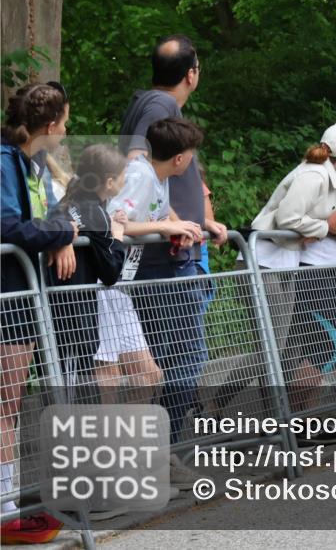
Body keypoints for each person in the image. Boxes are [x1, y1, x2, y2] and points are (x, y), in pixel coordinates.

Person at [117, 35, 226, 442]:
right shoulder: (160, 107)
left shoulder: (150, 102)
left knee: (170, 358)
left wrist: (204, 219)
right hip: (167, 260)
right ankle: (167, 450)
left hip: (172, 252)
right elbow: (141, 168)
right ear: (191, 73)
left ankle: (163, 449)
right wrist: (174, 223)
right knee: (180, 356)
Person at [248, 121, 336, 444]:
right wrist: (324, 229)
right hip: (267, 264)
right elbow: (288, 218)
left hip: (282, 264)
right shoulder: (313, 175)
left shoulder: (325, 174)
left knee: (280, 349)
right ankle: (273, 424)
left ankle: (284, 423)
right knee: (271, 350)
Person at [108, 118, 206, 488]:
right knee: (139, 374)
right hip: (116, 285)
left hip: (131, 282)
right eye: (191, 156)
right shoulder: (140, 174)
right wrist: (164, 229)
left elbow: (159, 212)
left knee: (152, 373)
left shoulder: (157, 176)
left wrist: (185, 228)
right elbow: (112, 223)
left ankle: (154, 458)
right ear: (179, 159)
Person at [0, 84, 75, 544]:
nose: (67, 131)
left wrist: (63, 233)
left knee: (8, 405)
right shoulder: (5, 162)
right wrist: (59, 232)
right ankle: (5, 509)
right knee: (3, 406)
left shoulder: (32, 164)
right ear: (50, 125)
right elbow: (8, 224)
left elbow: (53, 213)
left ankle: (7, 505)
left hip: (25, 296)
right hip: (8, 293)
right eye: (65, 122)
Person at [49, 145, 164, 408]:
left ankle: (122, 444)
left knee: (144, 377)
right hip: (79, 309)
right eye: (124, 175)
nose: (127, 180)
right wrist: (117, 235)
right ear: (110, 182)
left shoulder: (74, 203)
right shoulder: (94, 213)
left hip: (75, 306)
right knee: (80, 392)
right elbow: (111, 272)